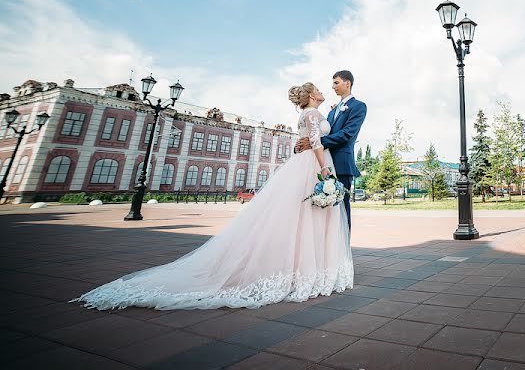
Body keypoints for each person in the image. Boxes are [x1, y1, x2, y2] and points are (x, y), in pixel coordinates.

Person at [72, 83, 353, 310]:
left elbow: (303, 141)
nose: (323, 90)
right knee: (308, 216)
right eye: (318, 88)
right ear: (310, 95)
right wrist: (325, 169)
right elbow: (315, 141)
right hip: (312, 164)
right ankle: (309, 270)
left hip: (300, 164)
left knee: (299, 217)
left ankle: (301, 268)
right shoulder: (314, 114)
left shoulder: (305, 114)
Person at [295, 70, 366, 230]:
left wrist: (316, 142)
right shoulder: (332, 111)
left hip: (341, 163)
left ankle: (343, 251)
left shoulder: (358, 106)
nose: (332, 86)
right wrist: (303, 144)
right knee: (325, 212)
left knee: (342, 210)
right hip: (323, 163)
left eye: (336, 82)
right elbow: (314, 132)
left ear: (347, 83)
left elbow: (347, 134)